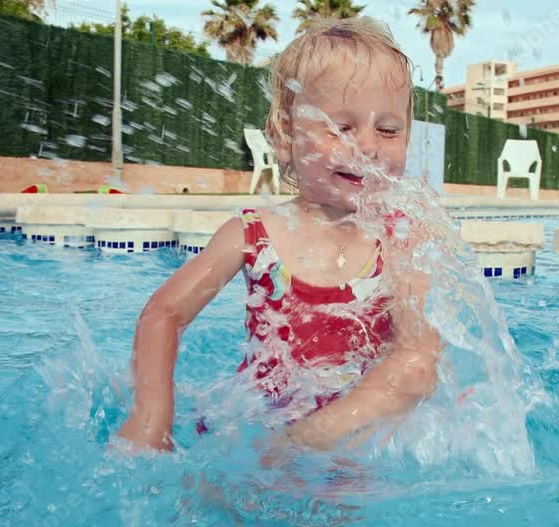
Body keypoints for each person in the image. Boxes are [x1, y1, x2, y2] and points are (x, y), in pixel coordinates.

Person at [116, 17, 441, 453]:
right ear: (286, 136)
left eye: (388, 129)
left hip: (348, 440)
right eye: (342, 127)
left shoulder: (401, 241)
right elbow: (163, 315)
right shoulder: (251, 235)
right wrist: (151, 417)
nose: (368, 147)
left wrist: (304, 441)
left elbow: (417, 365)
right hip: (255, 428)